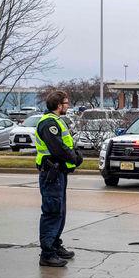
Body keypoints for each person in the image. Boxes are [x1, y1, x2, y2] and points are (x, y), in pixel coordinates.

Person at [35, 91, 84, 267]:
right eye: (66, 103)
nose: (68, 105)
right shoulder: (49, 123)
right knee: (52, 212)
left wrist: (75, 153)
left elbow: (65, 144)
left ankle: (55, 245)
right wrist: (75, 157)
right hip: (51, 173)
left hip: (58, 173)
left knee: (60, 212)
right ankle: (47, 254)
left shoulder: (56, 121)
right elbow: (58, 149)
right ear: (58, 105)